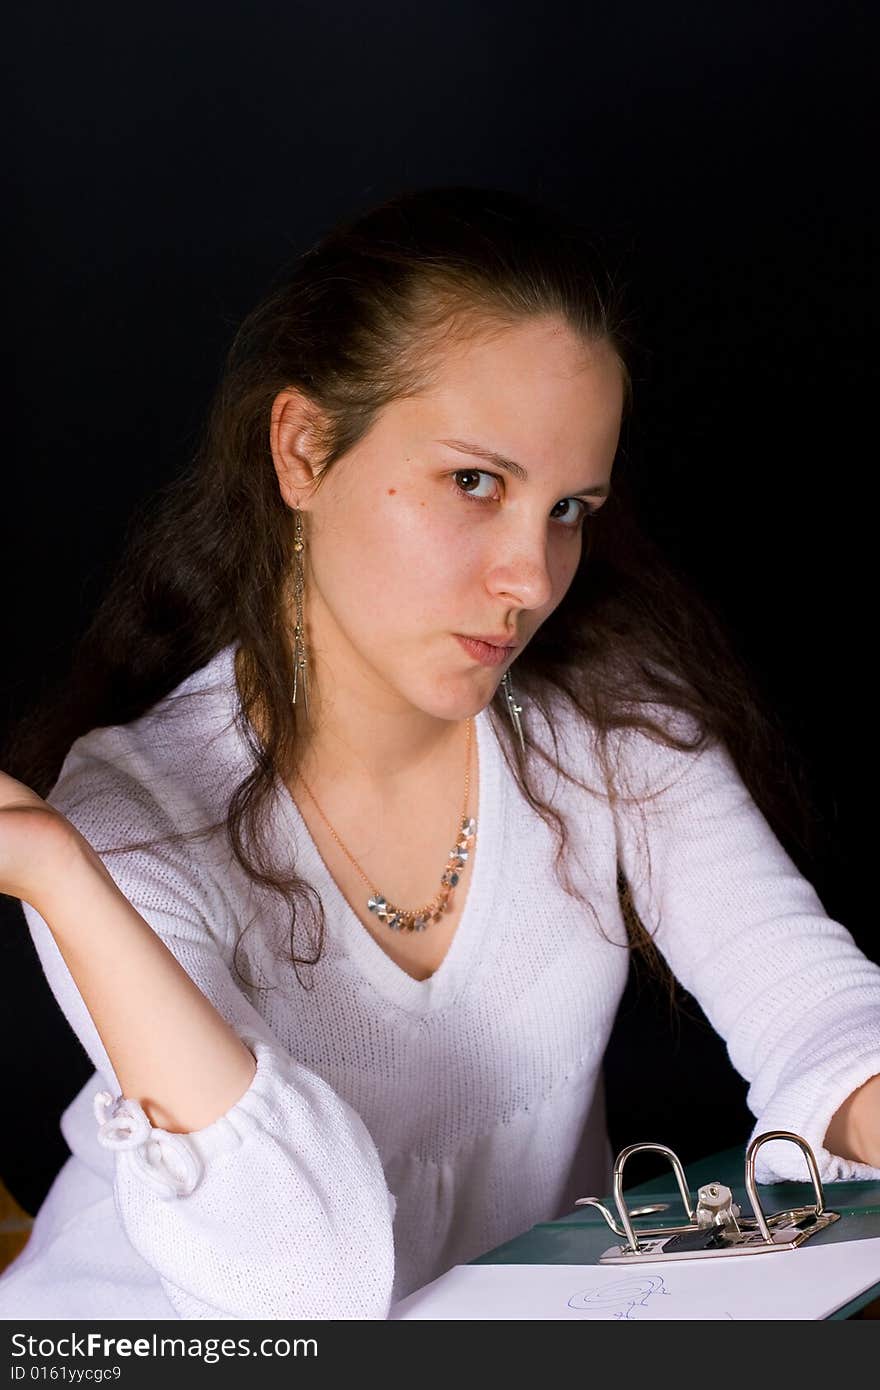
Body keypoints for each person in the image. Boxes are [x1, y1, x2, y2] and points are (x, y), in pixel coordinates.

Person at [0, 186, 878, 1321]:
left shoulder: (605, 726)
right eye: (476, 483)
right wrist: (58, 876)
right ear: (304, 449)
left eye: (570, 508)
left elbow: (815, 1012)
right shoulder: (131, 811)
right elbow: (299, 1292)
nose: (529, 578)